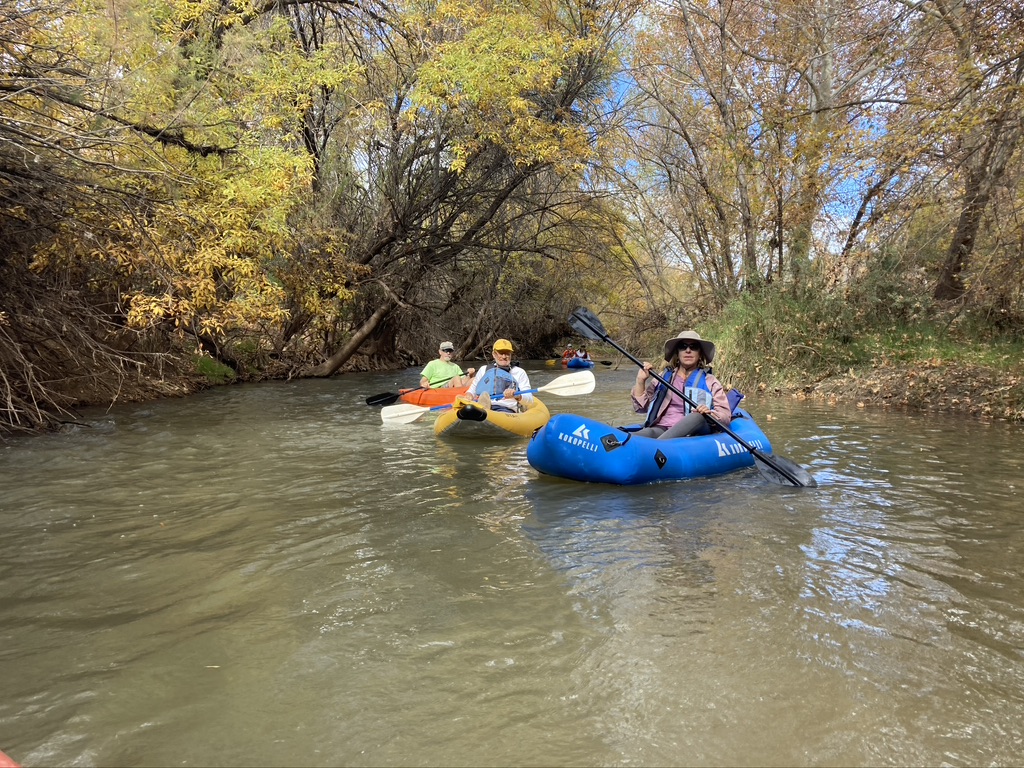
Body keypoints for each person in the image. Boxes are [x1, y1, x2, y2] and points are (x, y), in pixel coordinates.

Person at [630, 330, 731, 438]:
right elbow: (641, 408)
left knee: (697, 416)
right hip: (662, 428)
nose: (688, 350)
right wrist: (640, 381)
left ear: (700, 353)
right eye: (683, 346)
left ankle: (656, 446)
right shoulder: (662, 378)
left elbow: (725, 416)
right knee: (646, 433)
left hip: (694, 431)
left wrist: (709, 413)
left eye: (694, 347)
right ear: (677, 353)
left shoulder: (710, 380)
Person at [467, 338, 533, 412]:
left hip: (506, 409)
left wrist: (517, 395)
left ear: (511, 354)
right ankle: (483, 408)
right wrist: (469, 396)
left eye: (507, 353)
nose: (504, 357)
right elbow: (472, 390)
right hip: (482, 407)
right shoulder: (483, 370)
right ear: (494, 354)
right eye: (501, 353)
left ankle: (485, 412)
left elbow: (529, 399)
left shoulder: (520, 372)